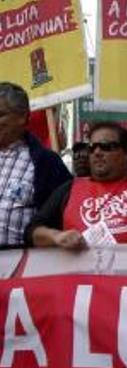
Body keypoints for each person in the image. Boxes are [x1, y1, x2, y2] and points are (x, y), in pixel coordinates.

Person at [25, 122, 127, 249]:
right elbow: (32, 231)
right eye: (92, 147)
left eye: (106, 146)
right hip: (82, 272)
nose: (97, 152)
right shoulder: (70, 188)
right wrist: (56, 236)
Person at [0, 82, 71, 247]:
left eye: (1, 114)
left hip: (21, 264)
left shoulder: (46, 163)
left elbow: (61, 216)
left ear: (22, 117)